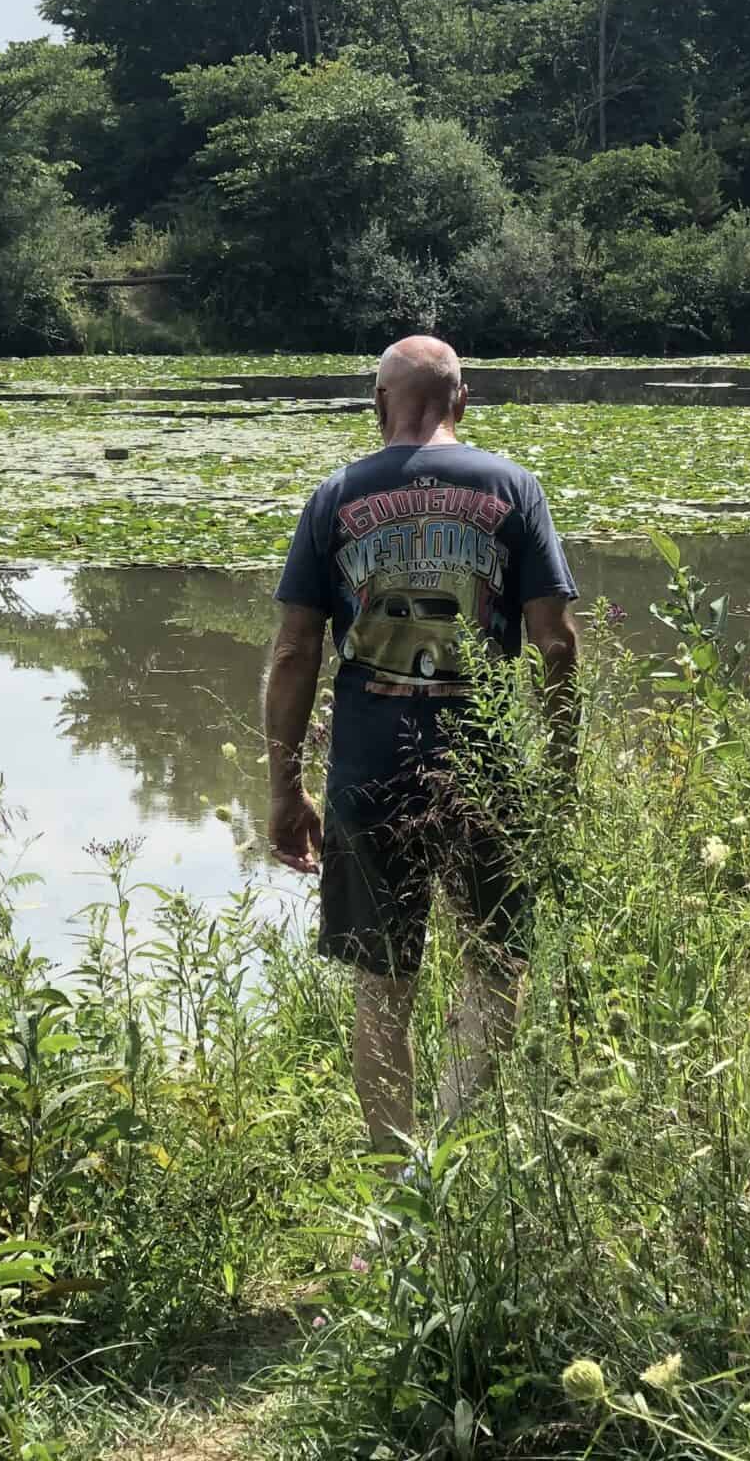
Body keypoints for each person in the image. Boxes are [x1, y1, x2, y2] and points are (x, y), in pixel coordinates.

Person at [262, 335, 580, 1155]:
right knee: (498, 964)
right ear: (462, 402)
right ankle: (450, 1137)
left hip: (369, 770)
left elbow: (295, 651)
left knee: (382, 985)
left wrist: (285, 788)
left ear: (379, 404)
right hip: (484, 765)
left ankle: (400, 1176)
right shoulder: (513, 488)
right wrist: (561, 771)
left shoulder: (336, 496)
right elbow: (556, 644)